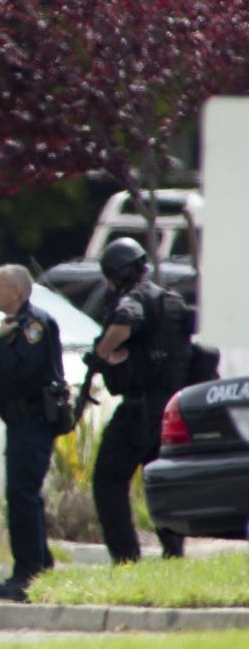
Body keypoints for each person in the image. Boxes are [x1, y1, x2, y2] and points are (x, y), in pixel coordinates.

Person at [0, 265, 60, 602]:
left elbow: (22, 371)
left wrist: (3, 344)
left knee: (23, 495)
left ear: (17, 292)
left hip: (34, 423)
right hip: (17, 423)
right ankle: (39, 564)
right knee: (20, 495)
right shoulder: (11, 328)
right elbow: (3, 381)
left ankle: (29, 572)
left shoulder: (34, 325)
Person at [88, 237, 186, 563]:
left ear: (115, 274)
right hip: (170, 408)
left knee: (108, 480)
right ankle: (173, 553)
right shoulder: (169, 299)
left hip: (139, 410)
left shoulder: (134, 298)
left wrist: (102, 352)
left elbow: (125, 322)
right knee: (159, 483)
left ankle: (125, 558)